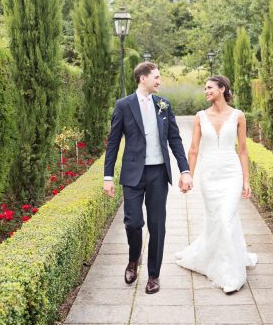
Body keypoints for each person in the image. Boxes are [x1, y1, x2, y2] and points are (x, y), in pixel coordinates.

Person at [103, 62, 190, 294]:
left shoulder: (164, 105)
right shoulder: (123, 106)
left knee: (157, 225)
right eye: (156, 77)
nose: (159, 81)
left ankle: (154, 275)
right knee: (133, 223)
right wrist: (108, 176)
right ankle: (133, 260)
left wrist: (185, 170)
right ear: (143, 78)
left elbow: (175, 140)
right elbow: (113, 143)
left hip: (158, 173)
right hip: (133, 173)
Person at [175, 75, 257, 293]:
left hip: (231, 173)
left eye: (209, 87)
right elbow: (193, 149)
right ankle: (214, 257)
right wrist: (187, 176)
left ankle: (231, 275)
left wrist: (246, 180)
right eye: (204, 88)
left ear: (222, 89)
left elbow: (242, 150)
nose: (206, 91)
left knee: (226, 217)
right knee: (215, 219)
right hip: (209, 174)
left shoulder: (238, 116)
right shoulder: (200, 116)